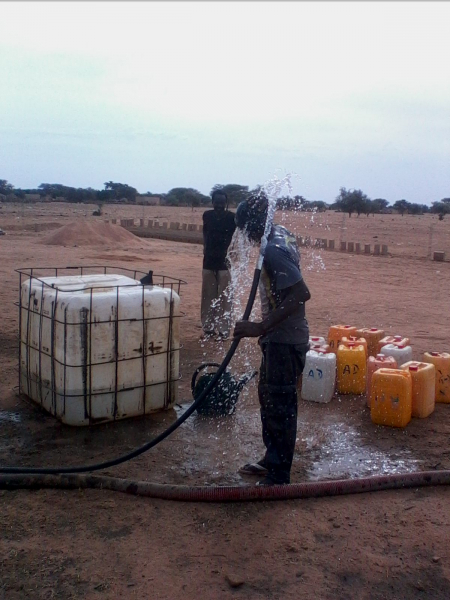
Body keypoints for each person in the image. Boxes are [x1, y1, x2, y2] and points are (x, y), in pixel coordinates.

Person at [233, 192, 311, 486]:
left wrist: (259, 327)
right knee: (268, 397)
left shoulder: (273, 249)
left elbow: (301, 294)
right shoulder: (281, 235)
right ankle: (272, 457)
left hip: (285, 340)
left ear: (253, 226)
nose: (247, 238)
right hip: (277, 339)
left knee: (280, 404)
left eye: (247, 232)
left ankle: (280, 473)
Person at [201, 190, 236, 340]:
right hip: (208, 262)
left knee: (225, 299)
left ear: (226, 203)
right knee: (207, 297)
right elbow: (205, 234)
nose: (220, 205)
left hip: (225, 264)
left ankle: (223, 331)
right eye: (217, 202)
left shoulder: (232, 218)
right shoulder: (207, 216)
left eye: (222, 202)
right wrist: (205, 250)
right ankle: (208, 330)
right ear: (212, 202)